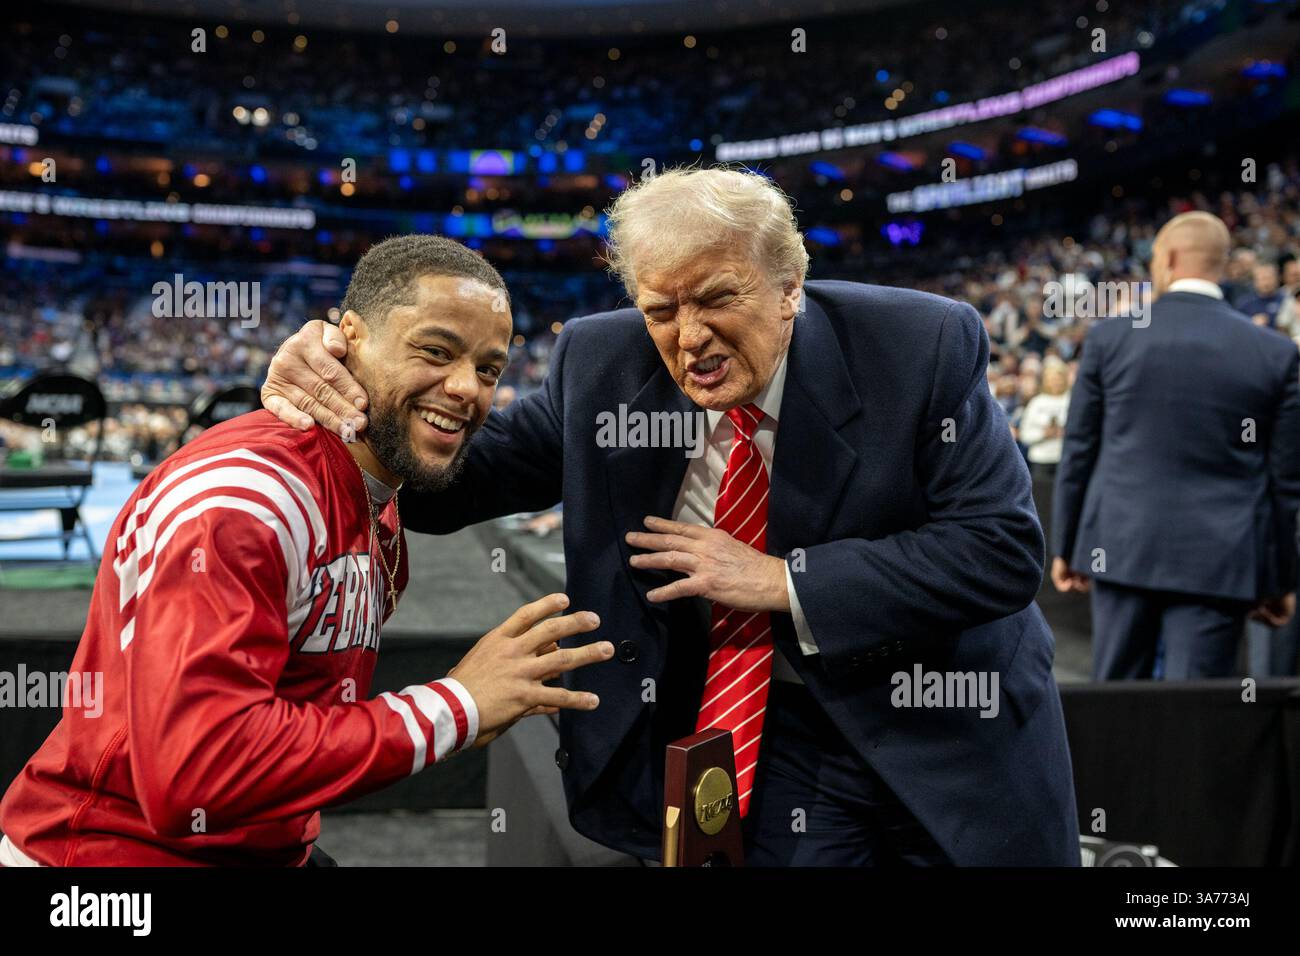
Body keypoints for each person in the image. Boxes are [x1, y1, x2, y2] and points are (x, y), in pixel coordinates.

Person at [263, 168, 1080, 867]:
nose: (689, 338)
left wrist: (780, 580)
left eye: (719, 298)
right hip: (760, 730)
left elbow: (999, 550)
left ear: (790, 287)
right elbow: (454, 486)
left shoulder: (920, 344)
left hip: (941, 722)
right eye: (660, 310)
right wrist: (352, 381)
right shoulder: (601, 362)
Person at [0, 235, 612, 866]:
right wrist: (454, 706)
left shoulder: (374, 492)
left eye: (489, 369)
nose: (466, 388)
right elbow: (194, 776)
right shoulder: (244, 503)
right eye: (435, 350)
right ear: (345, 337)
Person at [1052, 212, 1300, 680]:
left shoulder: (1110, 336)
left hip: (1121, 547)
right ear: (1222, 265)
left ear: (1166, 259)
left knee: (1118, 706)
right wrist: (1283, 577)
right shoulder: (1275, 352)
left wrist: (1066, 544)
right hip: (1221, 560)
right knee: (1200, 716)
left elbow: (1080, 447)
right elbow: (1284, 480)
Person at [1018, 362, 1071, 482]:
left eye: (1059, 378)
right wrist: (1044, 434)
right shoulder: (1036, 403)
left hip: (1065, 459)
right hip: (1041, 459)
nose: (1056, 382)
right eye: (1052, 379)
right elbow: (1024, 435)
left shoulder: (1072, 400)